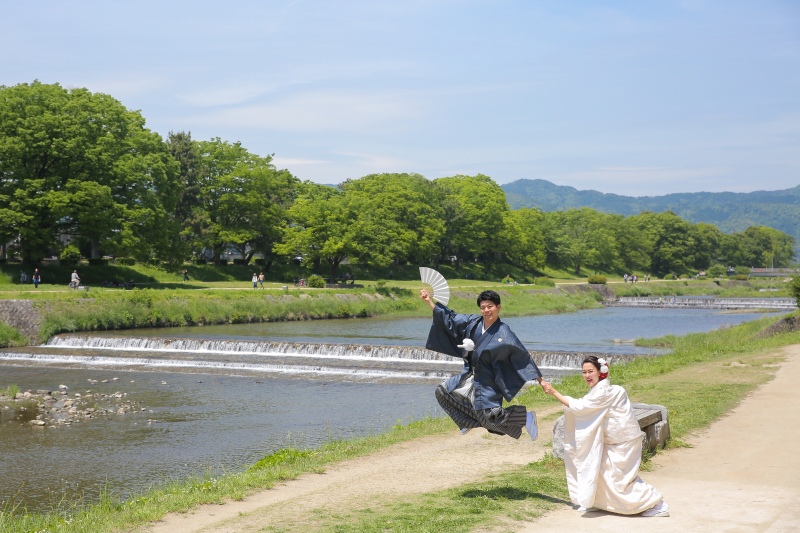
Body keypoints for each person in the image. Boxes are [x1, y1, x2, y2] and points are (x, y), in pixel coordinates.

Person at [542, 356, 669, 517]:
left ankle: (656, 503)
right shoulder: (599, 390)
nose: (587, 375)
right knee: (598, 472)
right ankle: (599, 503)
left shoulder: (603, 391)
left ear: (600, 372)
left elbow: (581, 407)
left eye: (590, 371)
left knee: (619, 480)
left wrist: (553, 392)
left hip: (624, 441)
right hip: (614, 441)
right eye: (584, 372)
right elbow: (583, 403)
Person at [421, 288, 546, 440]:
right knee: (442, 391)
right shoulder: (473, 322)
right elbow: (449, 319)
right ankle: (466, 421)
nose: (486, 310)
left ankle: (526, 418)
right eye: (483, 307)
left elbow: (522, 356)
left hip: (488, 381)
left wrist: (541, 381)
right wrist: (429, 301)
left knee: (491, 420)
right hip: (470, 375)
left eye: (490, 306)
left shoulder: (504, 333)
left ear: (498, 307)